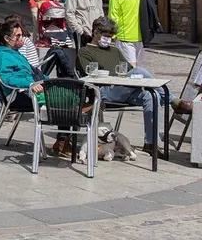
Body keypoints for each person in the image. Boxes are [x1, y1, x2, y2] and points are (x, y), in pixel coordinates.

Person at [76, 16, 189, 152]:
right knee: (140, 70)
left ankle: (150, 143)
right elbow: (88, 76)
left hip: (124, 89)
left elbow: (129, 70)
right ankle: (172, 100)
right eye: (106, 35)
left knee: (150, 96)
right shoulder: (84, 52)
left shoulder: (115, 51)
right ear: (95, 33)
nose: (109, 39)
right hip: (103, 91)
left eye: (111, 36)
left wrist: (130, 78)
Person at [108, 0, 144, 67]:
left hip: (124, 35)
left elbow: (113, 18)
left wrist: (112, 35)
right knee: (138, 67)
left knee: (129, 67)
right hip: (140, 35)